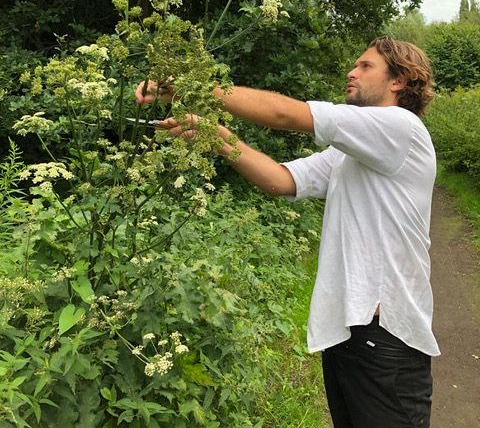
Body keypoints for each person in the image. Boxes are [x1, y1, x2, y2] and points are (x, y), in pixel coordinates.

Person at [135, 37, 439, 428]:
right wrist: (216, 136)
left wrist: (189, 87)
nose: (351, 72)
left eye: (365, 66)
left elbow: (284, 114)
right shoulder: (353, 153)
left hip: (386, 336)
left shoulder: (400, 127)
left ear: (399, 81)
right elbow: (282, 180)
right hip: (350, 333)